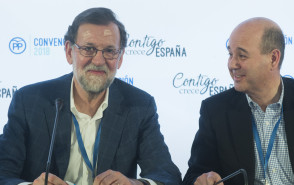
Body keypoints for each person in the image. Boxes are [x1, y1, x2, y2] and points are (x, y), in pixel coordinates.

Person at [0, 7, 181, 185]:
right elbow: (3, 171)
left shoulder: (140, 105)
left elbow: (167, 175)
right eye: (88, 48)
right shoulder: (29, 101)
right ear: (70, 52)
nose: (98, 61)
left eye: (110, 51)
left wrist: (135, 184)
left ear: (121, 57)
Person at [182, 17, 294, 185]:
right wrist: (202, 180)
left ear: (273, 59)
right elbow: (193, 175)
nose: (232, 64)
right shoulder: (215, 110)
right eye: (230, 54)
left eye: (242, 56)